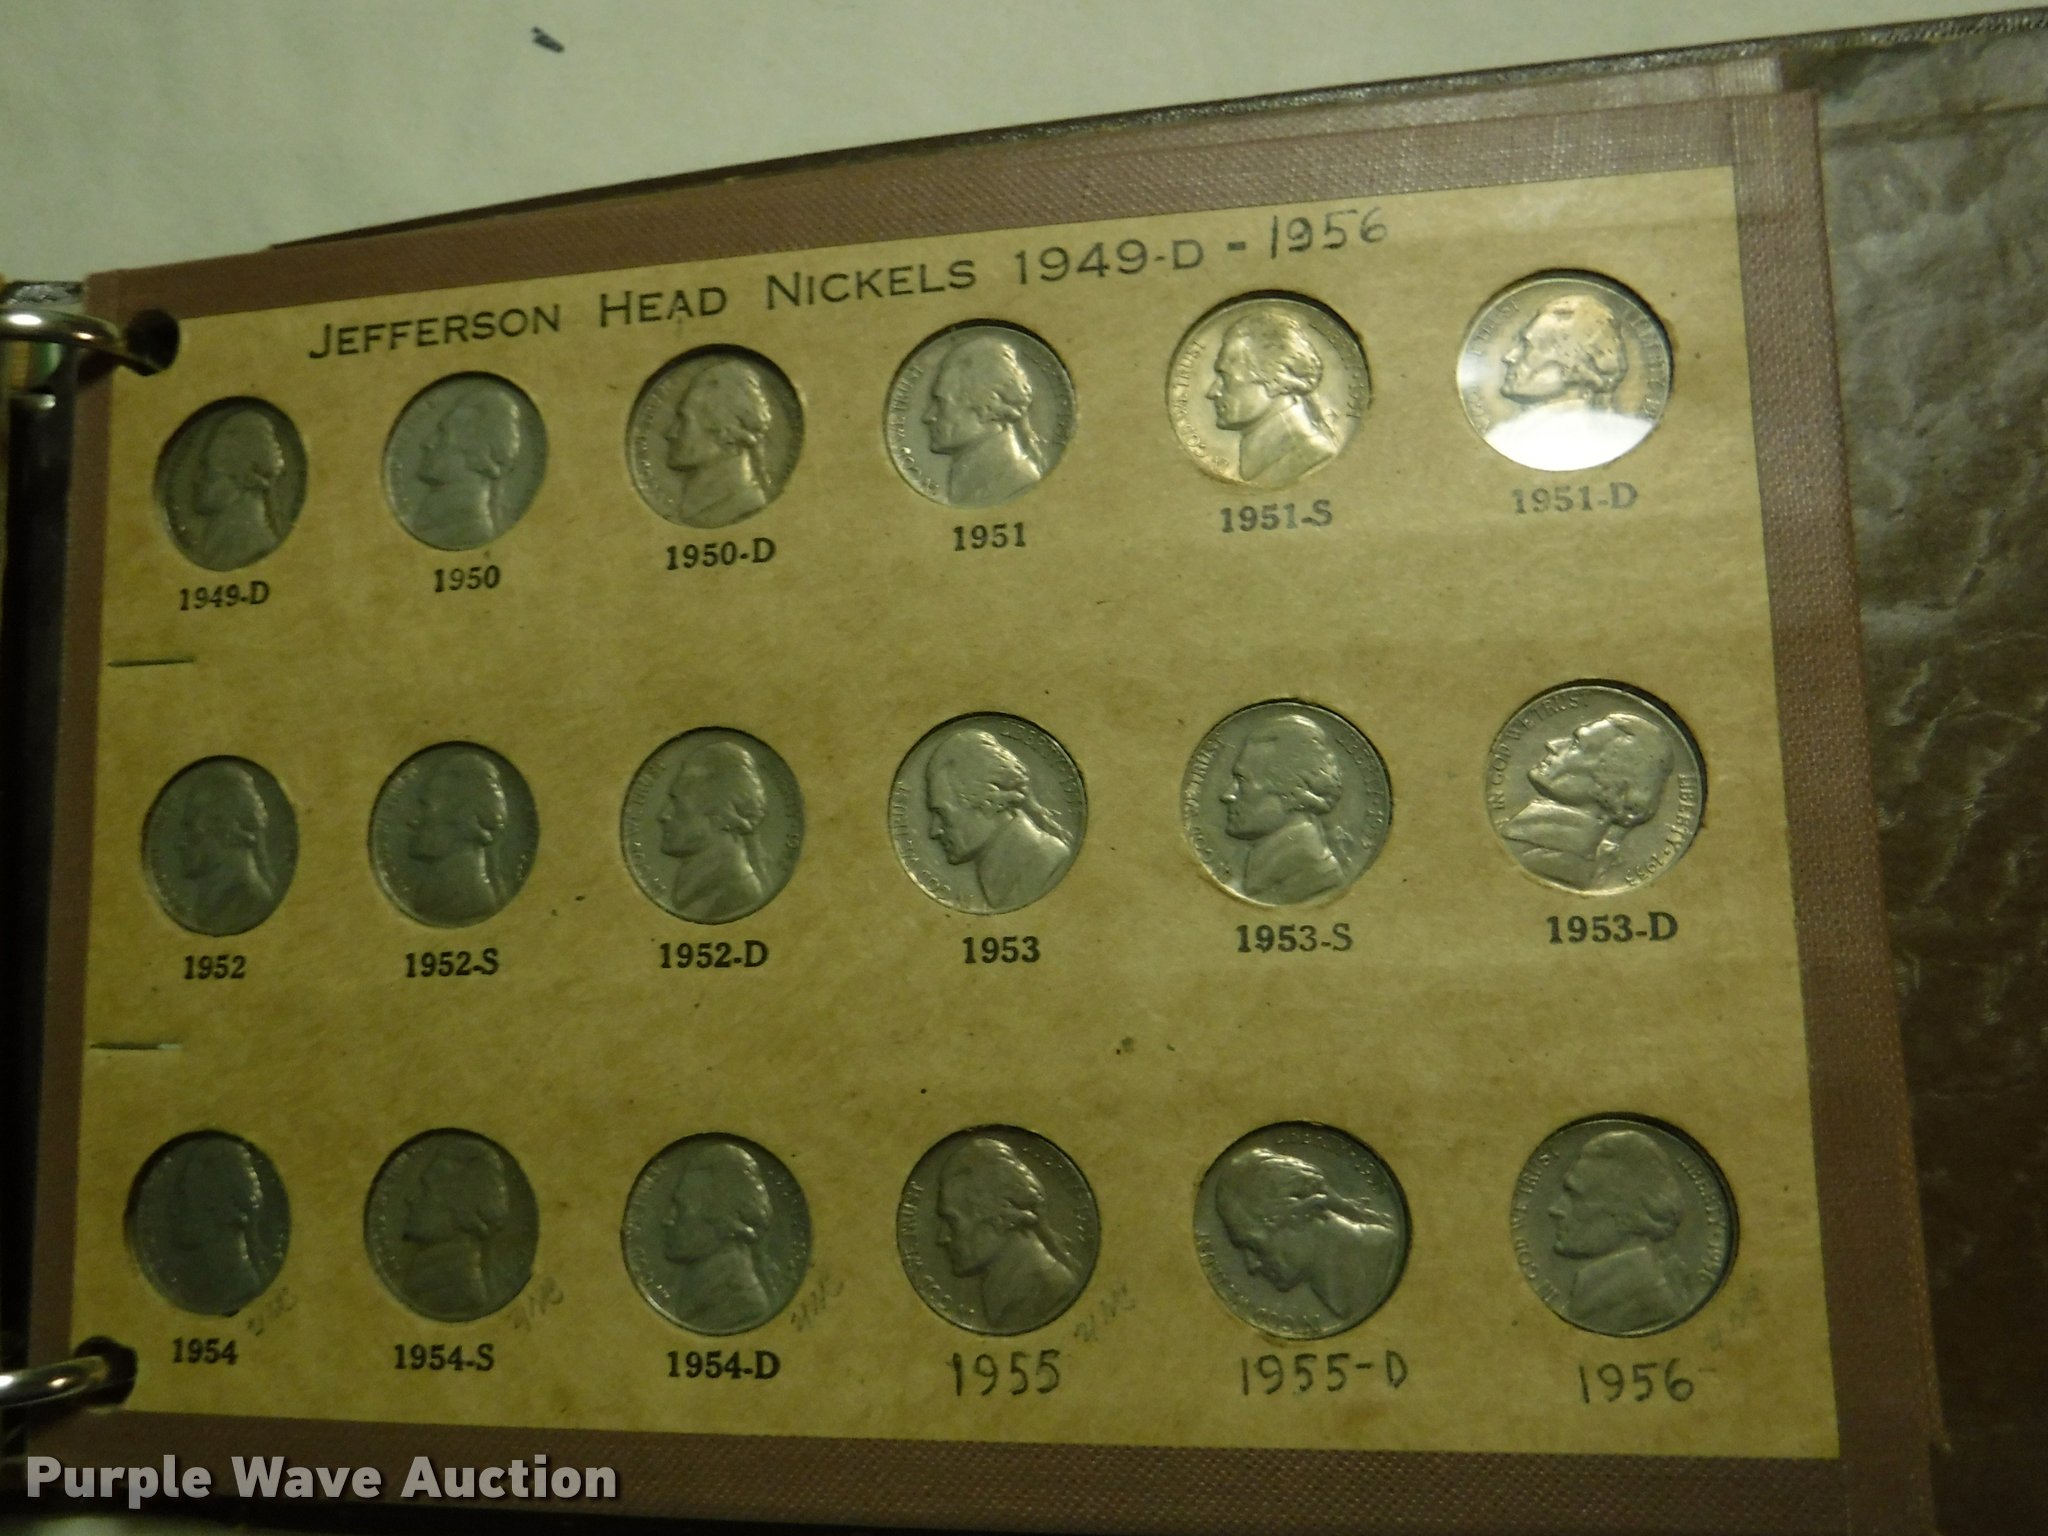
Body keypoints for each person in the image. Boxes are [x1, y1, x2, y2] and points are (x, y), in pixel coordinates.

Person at [1212, 1147, 1401, 1320]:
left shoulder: (1385, 1257)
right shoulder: (1345, 1287)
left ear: (1297, 1215)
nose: (1251, 1265)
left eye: (1253, 1245)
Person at [1499, 712, 1674, 889]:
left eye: (1576, 744)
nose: (1552, 744)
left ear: (1609, 777)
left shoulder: (1549, 863)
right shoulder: (1530, 843)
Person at [1548, 1129, 1690, 1334]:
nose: (1555, 1209)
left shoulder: (1649, 1308)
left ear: (1629, 1213)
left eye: (1575, 1196)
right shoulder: (1598, 1298)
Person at [1487, 293, 1644, 470]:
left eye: (1527, 346)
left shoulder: (1560, 439)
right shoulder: (1518, 434)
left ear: (1573, 367)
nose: (1509, 357)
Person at [936, 1136, 1077, 1331]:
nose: (942, 1238)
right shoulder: (1008, 1291)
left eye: (953, 1221)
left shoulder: (1049, 1291)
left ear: (1001, 1217)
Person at [924, 729, 1074, 910]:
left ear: (989, 802)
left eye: (942, 813)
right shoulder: (1004, 874)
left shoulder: (1049, 864)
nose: (934, 831)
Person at [1220, 713, 1350, 904]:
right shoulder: (1265, 873)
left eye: (1242, 781)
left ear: (1293, 793)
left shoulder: (1314, 879)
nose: (1228, 795)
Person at [1206, 310, 1339, 485]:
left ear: (1275, 379)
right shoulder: (1258, 460)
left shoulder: (1312, 455)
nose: (1212, 392)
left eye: (1226, 377)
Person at [661, 1140, 776, 1332]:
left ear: (722, 1219)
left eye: (680, 1208)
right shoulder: (699, 1300)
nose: (667, 1220)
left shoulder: (745, 1309)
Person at [922, 335, 1049, 505]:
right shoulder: (975, 485)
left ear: (987, 407)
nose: (928, 417)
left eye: (941, 403)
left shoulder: (1018, 484)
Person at [659, 737, 773, 921]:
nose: (664, 815)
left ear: (723, 816)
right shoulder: (697, 894)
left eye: (678, 804)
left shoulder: (738, 896)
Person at [400, 1139, 514, 1319]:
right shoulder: (427, 1280)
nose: (411, 1198)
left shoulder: (460, 1292)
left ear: (460, 1210)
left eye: (425, 1190)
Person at [410, 383, 526, 547]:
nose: (427, 443)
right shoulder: (436, 525)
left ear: (475, 451)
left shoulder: (470, 533)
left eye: (442, 433)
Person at [403, 752, 513, 924]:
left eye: (426, 807)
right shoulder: (431, 898)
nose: (413, 820)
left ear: (466, 823)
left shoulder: (473, 904)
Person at [666, 358, 778, 526]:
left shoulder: (744, 506)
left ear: (727, 434)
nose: (670, 433)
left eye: (684, 420)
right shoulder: (697, 509)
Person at [171, 763, 280, 933]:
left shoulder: (250, 905)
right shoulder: (220, 907)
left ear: (226, 829)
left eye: (190, 829)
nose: (179, 843)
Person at [163, 1138, 269, 1312]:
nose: (175, 1210)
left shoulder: (235, 1288)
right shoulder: (202, 1285)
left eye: (187, 1197)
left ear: (220, 1209)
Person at [184, 408, 290, 568]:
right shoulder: (223, 548)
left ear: (245, 479)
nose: (197, 479)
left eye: (210, 472)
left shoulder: (255, 548)